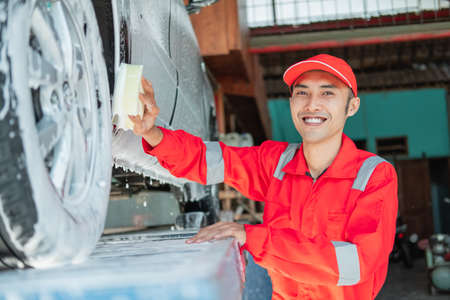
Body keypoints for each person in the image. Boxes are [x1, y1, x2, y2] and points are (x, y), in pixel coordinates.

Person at [129, 54, 398, 300]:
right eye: (302, 93)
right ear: (292, 102)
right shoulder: (277, 163)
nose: (312, 104)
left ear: (352, 106)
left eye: (327, 93)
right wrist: (153, 133)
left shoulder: (374, 175)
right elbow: (206, 159)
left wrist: (252, 237)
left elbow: (356, 265)